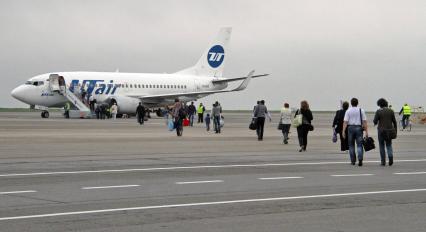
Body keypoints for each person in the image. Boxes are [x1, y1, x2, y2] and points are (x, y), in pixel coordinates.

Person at [342, 98, 369, 166]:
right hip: (359, 128)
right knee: (359, 145)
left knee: (351, 145)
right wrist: (366, 131)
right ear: (357, 103)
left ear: (351, 103)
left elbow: (345, 122)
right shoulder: (361, 110)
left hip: (350, 128)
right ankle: (360, 159)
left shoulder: (348, 111)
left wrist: (343, 131)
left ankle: (353, 161)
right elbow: (364, 121)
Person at [374, 98, 397, 166]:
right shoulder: (391, 111)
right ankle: (390, 159)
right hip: (389, 131)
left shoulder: (378, 111)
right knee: (389, 145)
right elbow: (394, 122)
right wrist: (395, 131)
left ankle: (383, 161)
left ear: (379, 104)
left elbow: (375, 121)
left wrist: (376, 121)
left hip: (381, 131)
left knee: (381, 146)